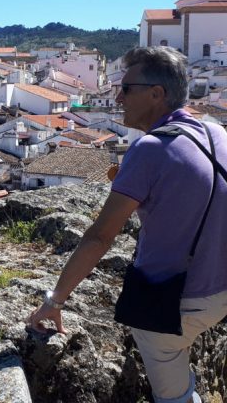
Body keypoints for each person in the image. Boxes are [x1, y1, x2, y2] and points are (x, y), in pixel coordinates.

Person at [27, 46, 227, 403]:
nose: (117, 97)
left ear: (156, 94)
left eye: (126, 88)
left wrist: (54, 300)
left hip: (180, 301)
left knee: (174, 394)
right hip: (222, 287)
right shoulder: (217, 135)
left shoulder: (149, 149)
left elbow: (101, 236)